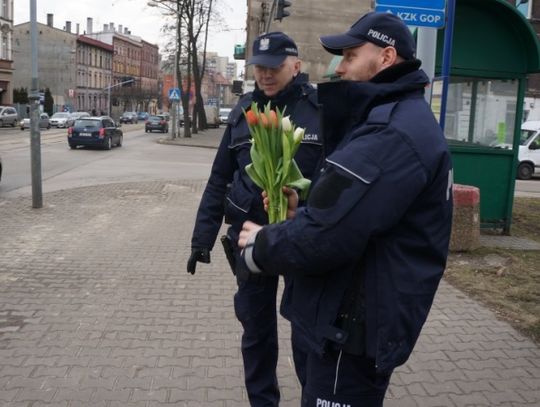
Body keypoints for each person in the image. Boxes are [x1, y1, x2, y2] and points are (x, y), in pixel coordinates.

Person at [237, 12, 453, 406]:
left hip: (350, 329)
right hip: (343, 319)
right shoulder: (391, 120)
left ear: (386, 58)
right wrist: (298, 210)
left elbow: (329, 234)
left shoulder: (392, 132)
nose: (341, 66)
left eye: (352, 55)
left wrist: (263, 244)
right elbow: (354, 214)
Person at [187, 32, 322, 406]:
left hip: (301, 234)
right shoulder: (243, 112)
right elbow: (219, 178)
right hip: (249, 238)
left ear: (295, 65)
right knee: (256, 329)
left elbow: (333, 179)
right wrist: (202, 238)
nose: (266, 74)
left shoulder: (318, 110)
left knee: (307, 332)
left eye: (275, 66)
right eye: (260, 67)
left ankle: (314, 397)